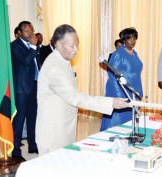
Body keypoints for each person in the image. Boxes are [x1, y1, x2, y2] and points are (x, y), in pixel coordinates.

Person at [36, 24, 130, 155]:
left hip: (64, 128)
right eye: (71, 46)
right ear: (58, 44)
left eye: (77, 45)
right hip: (53, 133)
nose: (76, 50)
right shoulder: (54, 68)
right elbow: (75, 97)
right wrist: (111, 102)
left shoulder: (62, 60)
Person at [100, 27, 143, 131]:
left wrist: (139, 93)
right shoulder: (118, 54)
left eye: (134, 38)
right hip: (120, 91)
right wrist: (119, 96)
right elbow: (112, 75)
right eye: (129, 39)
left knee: (129, 122)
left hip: (132, 91)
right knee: (117, 122)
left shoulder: (135, 54)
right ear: (124, 40)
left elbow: (137, 75)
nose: (132, 41)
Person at [11, 21, 40, 160]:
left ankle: (32, 145)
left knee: (32, 118)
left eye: (31, 30)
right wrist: (34, 46)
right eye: (27, 30)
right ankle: (15, 150)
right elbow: (25, 61)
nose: (30, 33)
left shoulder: (35, 47)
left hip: (34, 86)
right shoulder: (15, 46)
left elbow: (37, 65)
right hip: (21, 89)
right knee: (19, 120)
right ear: (20, 32)